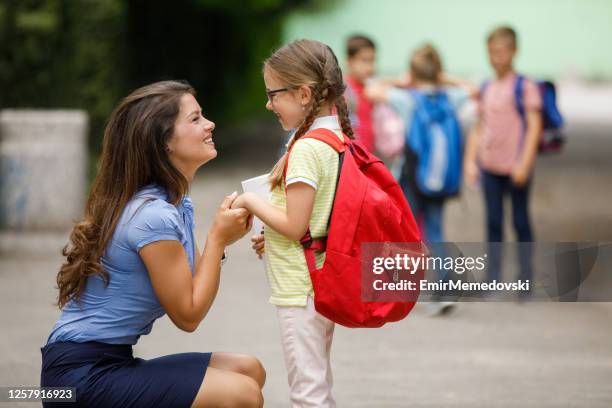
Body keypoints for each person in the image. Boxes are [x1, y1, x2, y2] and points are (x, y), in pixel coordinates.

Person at [40, 80, 265, 408]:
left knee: (248, 369)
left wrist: (223, 239)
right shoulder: (152, 216)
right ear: (164, 142)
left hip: (111, 362)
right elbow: (188, 316)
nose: (209, 124)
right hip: (78, 378)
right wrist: (217, 239)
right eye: (195, 119)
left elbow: (192, 286)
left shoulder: (175, 204)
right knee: (239, 394)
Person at [232, 39, 354, 407]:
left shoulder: (305, 148)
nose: (268, 104)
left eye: (274, 94)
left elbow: (295, 224)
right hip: (319, 278)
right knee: (318, 383)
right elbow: (318, 219)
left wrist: (251, 202)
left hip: (300, 287)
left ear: (303, 94)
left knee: (308, 393)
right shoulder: (336, 138)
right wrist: (274, 232)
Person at [365, 44, 477, 315]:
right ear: (438, 72)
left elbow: (371, 90)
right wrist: (444, 78)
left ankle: (401, 291)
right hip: (439, 179)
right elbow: (474, 88)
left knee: (406, 232)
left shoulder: (408, 98)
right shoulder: (450, 97)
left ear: (413, 74)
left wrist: (401, 81)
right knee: (436, 231)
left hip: (411, 176)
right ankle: (445, 289)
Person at [463, 26, 542, 290]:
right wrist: (471, 160)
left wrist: (525, 163)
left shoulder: (525, 86)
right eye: (491, 52)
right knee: (493, 222)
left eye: (501, 52)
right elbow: (479, 126)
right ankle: (493, 277)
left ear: (513, 52)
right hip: (490, 168)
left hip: (516, 167)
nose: (496, 58)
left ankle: (525, 278)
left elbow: (534, 127)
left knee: (520, 222)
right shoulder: (487, 86)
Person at [344, 34, 376, 152]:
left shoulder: (370, 87)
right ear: (349, 61)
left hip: (368, 155)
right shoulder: (344, 91)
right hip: (353, 156)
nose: (369, 67)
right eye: (364, 60)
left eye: (372, 60)